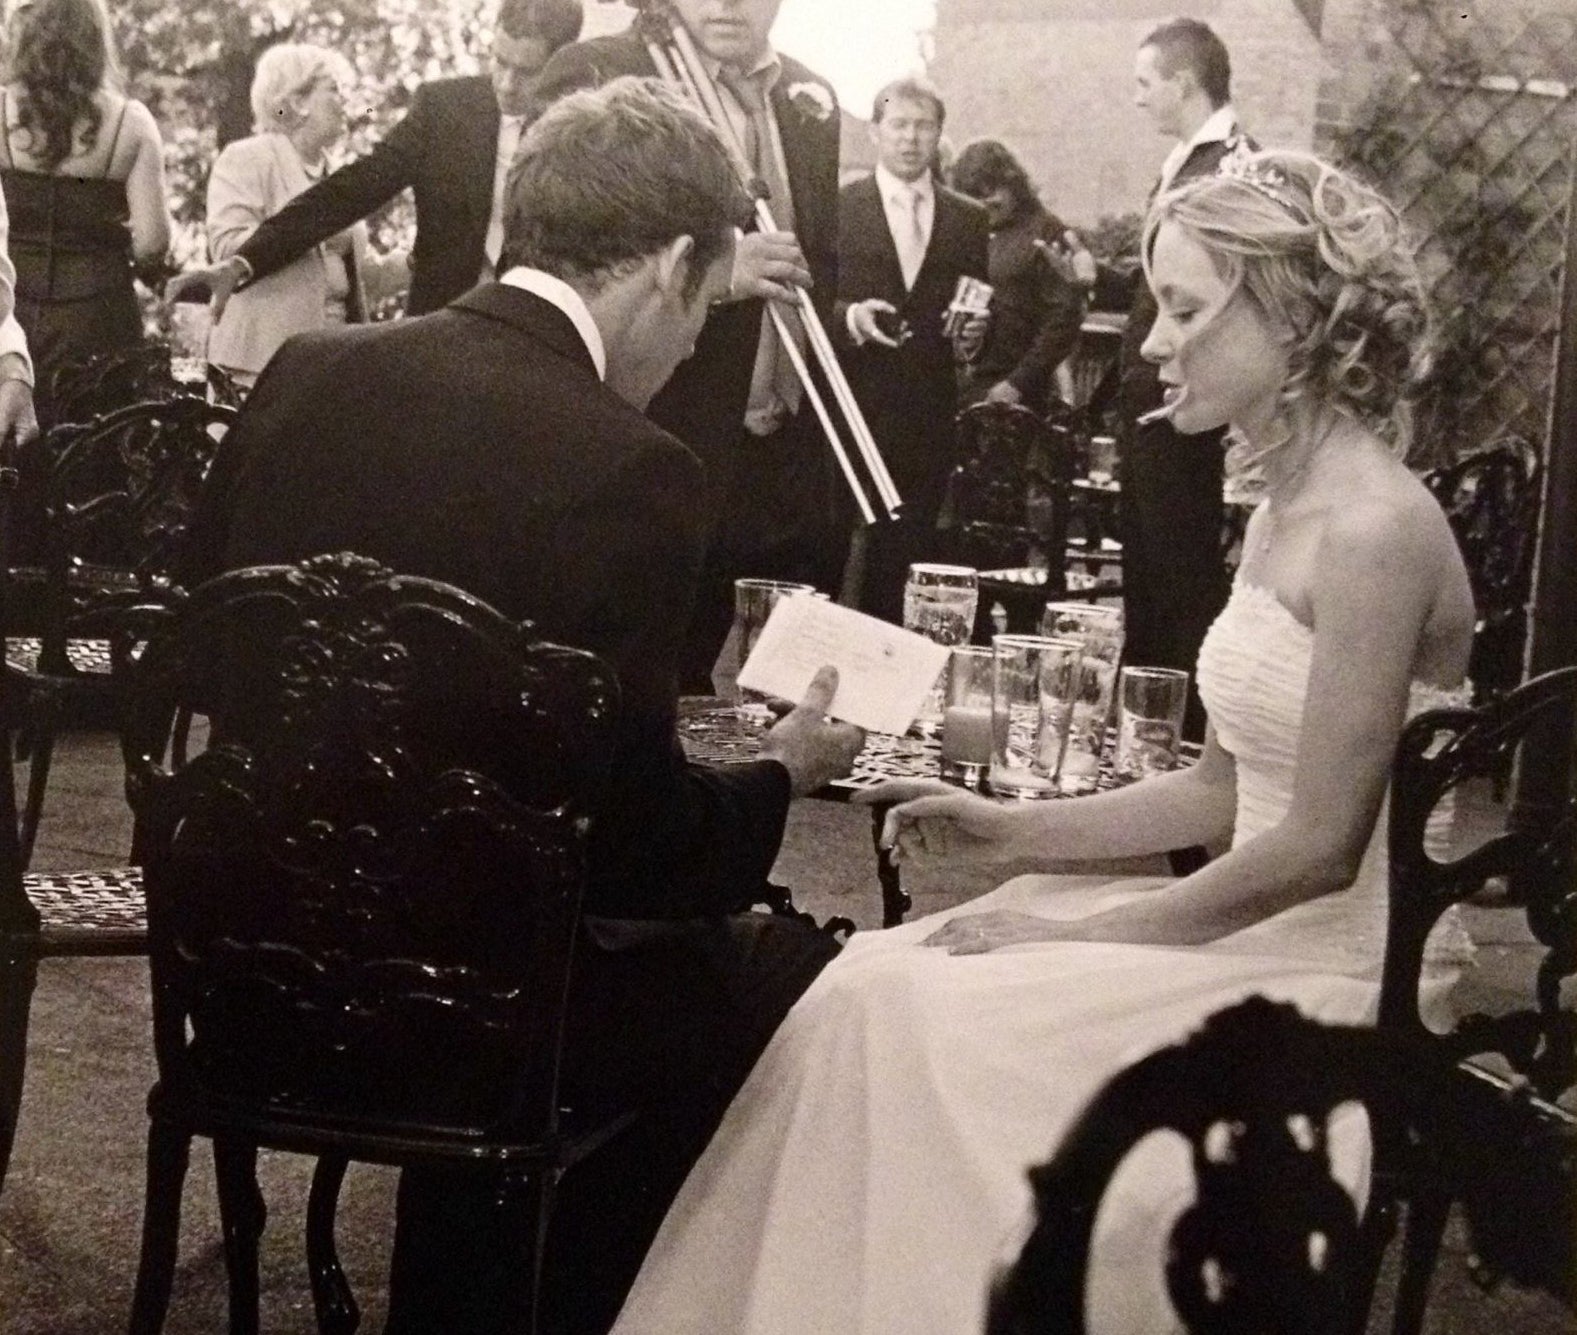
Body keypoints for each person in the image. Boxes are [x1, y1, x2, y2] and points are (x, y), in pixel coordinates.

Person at [603, 150, 1478, 1334]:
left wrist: (1090, 932)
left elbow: (1317, 848)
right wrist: (1009, 828)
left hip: (1334, 965)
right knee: (868, 981)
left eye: (1181, 309)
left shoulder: (1374, 527)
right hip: (1248, 917)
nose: (1152, 344)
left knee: (935, 1019)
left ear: (1287, 317)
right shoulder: (1283, 503)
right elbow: (1221, 789)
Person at [181, 77, 864, 1335]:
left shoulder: (303, 374)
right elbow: (642, 856)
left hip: (243, 982)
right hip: (476, 1021)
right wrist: (782, 774)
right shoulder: (635, 468)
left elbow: (208, 664)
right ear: (673, 265)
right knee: (794, 990)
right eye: (709, 305)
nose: (694, 340)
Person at [531, 0, 846, 688]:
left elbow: (814, 253)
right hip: (651, 426)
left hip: (770, 442)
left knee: (709, 679)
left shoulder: (808, 97)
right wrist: (724, 273)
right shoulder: (598, 70)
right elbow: (550, 252)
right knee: (623, 673)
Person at [168, 0, 583, 320]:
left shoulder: (581, 128)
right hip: (440, 329)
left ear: (562, 62)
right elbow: (349, 192)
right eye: (499, 61)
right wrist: (244, 262)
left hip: (532, 334)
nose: (507, 84)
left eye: (526, 72)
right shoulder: (445, 108)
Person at [1118, 17, 1253, 741]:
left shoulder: (1232, 166)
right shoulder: (1182, 160)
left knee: (1180, 575)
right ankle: (1142, 735)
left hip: (1185, 404)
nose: (1137, 99)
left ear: (1181, 81)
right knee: (1145, 575)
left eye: (1145, 83)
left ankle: (1194, 738)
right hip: (1149, 404)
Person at [836, 77, 989, 624]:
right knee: (834, 550)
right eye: (898, 124)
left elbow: (976, 307)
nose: (910, 138)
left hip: (926, 411)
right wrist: (851, 317)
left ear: (939, 135)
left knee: (907, 555)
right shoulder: (839, 207)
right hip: (850, 404)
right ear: (876, 132)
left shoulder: (969, 218)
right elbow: (812, 300)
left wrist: (975, 336)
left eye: (924, 126)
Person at [0, 0, 170, 429]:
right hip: (100, 318)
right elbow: (153, 243)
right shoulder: (132, 123)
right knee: (97, 461)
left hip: (8, 315)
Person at [202, 44, 408, 387]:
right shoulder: (247, 158)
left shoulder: (336, 176)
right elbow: (227, 250)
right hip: (261, 366)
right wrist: (314, 230)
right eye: (334, 90)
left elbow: (354, 279)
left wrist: (418, 261)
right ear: (297, 101)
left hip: (333, 365)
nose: (346, 102)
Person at [948, 137, 1091, 416]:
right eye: (974, 195)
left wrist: (1017, 383)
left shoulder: (1046, 231)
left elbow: (1064, 319)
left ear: (1014, 185)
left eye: (992, 192)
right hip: (969, 384)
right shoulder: (969, 231)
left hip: (1019, 391)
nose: (984, 202)